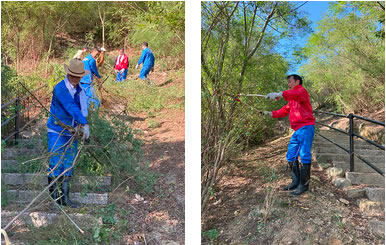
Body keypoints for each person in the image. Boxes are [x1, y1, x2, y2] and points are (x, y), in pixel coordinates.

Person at [47, 58, 90, 208]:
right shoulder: (60, 89)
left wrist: (82, 126)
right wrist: (84, 123)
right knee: (56, 163)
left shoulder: (80, 91)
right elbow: (70, 107)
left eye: (77, 77)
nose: (74, 79)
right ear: (68, 74)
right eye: (72, 76)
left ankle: (65, 198)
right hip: (57, 130)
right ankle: (55, 200)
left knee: (69, 163)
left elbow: (81, 109)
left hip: (72, 132)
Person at [264, 74, 315, 196]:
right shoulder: (292, 99)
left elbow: (293, 94)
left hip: (306, 127)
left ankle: (304, 185)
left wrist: (280, 94)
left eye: (290, 81)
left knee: (304, 155)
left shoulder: (301, 91)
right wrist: (270, 113)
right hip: (297, 130)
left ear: (297, 81)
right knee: (291, 155)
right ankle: (295, 182)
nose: (289, 84)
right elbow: (284, 110)